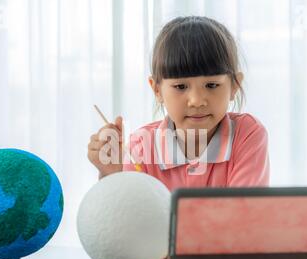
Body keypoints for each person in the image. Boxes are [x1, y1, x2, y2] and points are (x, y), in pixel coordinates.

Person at [88, 16, 269, 191]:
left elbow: (245, 215)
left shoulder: (246, 135)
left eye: (212, 85)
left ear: (234, 86)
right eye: (181, 86)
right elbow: (126, 216)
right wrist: (112, 176)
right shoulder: (141, 147)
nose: (197, 101)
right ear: (157, 90)